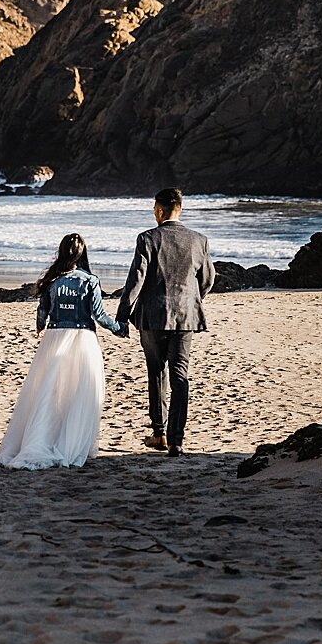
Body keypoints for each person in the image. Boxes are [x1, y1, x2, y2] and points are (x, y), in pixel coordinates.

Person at [0, 233, 127, 470]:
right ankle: (71, 443)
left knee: (48, 392)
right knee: (80, 394)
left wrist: (39, 328)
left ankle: (41, 438)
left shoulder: (52, 280)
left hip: (54, 338)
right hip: (82, 339)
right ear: (82, 253)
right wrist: (118, 328)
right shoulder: (89, 281)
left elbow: (42, 312)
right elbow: (99, 315)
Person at [116, 188, 214, 456]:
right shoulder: (199, 240)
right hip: (185, 316)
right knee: (180, 376)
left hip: (152, 316)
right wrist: (192, 300)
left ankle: (159, 433)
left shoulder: (148, 239)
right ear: (180, 209)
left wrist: (122, 316)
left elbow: (136, 279)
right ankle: (176, 440)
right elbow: (207, 279)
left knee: (156, 371)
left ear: (159, 210)